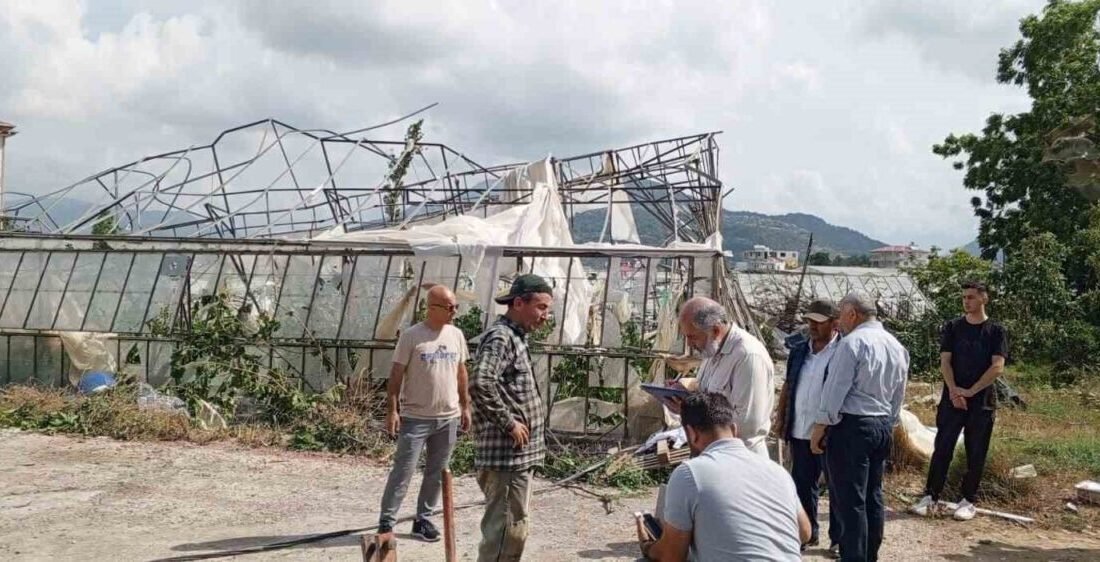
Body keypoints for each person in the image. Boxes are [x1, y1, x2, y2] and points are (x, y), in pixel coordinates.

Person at [640, 392, 811, 561]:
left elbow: (672, 556)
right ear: (734, 429)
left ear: (691, 433)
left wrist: (648, 547)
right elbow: (804, 533)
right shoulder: (778, 471)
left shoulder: (689, 473)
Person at [810, 291, 908, 562]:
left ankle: (854, 556)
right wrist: (890, 422)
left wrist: (820, 426)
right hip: (882, 425)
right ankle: (869, 555)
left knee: (850, 500)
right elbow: (899, 392)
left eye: (841, 314)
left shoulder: (852, 343)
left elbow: (835, 389)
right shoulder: (895, 345)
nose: (839, 321)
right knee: (873, 495)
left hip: (853, 426)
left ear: (852, 314)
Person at [377, 285, 472, 542]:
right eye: (450, 307)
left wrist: (465, 406)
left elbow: (461, 372)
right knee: (403, 471)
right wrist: (392, 410)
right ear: (431, 308)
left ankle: (423, 520)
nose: (454, 311)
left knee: (438, 472)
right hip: (416, 418)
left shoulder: (456, 335)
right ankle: (386, 522)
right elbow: (396, 375)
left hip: (448, 417)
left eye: (456, 306)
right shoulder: (412, 336)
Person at [469, 273, 553, 562]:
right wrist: (509, 422)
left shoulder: (516, 337)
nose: (545, 316)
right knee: (503, 533)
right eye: (541, 307)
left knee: (513, 529)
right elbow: (480, 382)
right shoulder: (501, 337)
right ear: (518, 303)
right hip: (506, 458)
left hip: (516, 458)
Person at [911, 281, 1007, 521]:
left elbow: (997, 366)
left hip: (981, 401)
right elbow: (945, 361)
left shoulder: (996, 331)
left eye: (971, 297)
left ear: (984, 298)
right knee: (943, 447)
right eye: (964, 297)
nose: (966, 301)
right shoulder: (953, 327)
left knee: (976, 452)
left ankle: (968, 500)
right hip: (952, 399)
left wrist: (971, 391)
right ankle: (930, 496)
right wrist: (955, 391)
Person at [776, 299, 841, 553]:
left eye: (819, 322)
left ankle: (838, 539)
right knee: (803, 483)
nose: (812, 326)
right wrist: (780, 418)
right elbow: (788, 385)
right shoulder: (800, 350)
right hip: (799, 428)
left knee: (836, 486)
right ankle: (807, 533)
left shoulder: (843, 352)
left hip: (829, 431)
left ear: (835, 323)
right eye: (810, 321)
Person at [673, 296, 775, 457]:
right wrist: (684, 399)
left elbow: (748, 423)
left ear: (715, 331)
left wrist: (697, 418)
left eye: (692, 337)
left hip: (741, 457)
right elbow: (707, 395)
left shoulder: (748, 356)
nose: (689, 344)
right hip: (714, 453)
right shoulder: (712, 349)